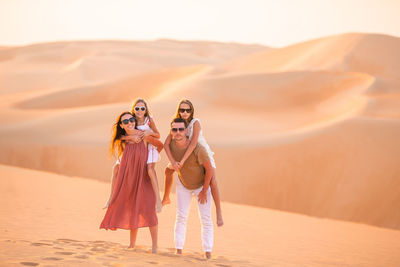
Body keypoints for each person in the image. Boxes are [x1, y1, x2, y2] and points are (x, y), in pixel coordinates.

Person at [100, 111, 158, 253]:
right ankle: (132, 244)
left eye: (131, 119)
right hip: (130, 178)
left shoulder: (143, 134)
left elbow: (159, 144)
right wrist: (127, 136)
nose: (130, 122)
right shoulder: (123, 140)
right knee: (133, 210)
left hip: (143, 177)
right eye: (126, 122)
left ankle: (155, 246)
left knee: (149, 211)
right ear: (121, 125)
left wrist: (152, 163)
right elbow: (119, 144)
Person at [163, 99, 224, 226]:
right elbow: (166, 144)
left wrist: (182, 161)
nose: (185, 112)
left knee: (212, 180)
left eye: (187, 110)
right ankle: (166, 197)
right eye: (182, 110)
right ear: (179, 111)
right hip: (183, 155)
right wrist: (173, 162)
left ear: (191, 111)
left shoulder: (195, 123)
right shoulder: (177, 124)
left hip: (200, 152)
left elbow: (193, 144)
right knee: (168, 171)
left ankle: (218, 212)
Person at [163, 118, 214, 259]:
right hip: (183, 185)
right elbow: (168, 170)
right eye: (174, 130)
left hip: (201, 186)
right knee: (181, 217)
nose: (178, 132)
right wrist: (166, 196)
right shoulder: (171, 146)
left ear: (186, 131)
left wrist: (204, 190)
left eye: (181, 129)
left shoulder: (198, 149)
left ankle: (208, 252)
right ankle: (178, 250)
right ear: (171, 132)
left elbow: (209, 170)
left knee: (206, 219)